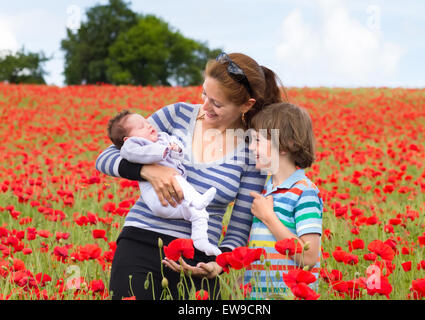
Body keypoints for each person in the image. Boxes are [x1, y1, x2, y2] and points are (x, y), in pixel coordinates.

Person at [95, 52, 285, 300]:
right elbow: (106, 157)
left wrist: (218, 264)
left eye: (216, 103)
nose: (204, 107)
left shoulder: (255, 148)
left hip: (198, 260)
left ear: (246, 105)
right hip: (141, 242)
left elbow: (239, 228)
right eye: (204, 93)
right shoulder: (177, 115)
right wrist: (148, 171)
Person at [106, 110, 220, 256]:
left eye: (147, 122)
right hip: (159, 199)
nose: (148, 125)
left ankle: (201, 240)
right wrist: (163, 151)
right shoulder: (133, 145)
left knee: (199, 214)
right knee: (174, 177)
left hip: (176, 200)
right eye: (141, 126)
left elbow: (178, 151)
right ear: (128, 138)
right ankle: (197, 199)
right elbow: (136, 154)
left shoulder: (162, 137)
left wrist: (176, 149)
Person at [244, 102, 323, 300]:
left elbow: (309, 257)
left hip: (288, 295)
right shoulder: (266, 190)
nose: (252, 146)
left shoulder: (304, 192)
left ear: (286, 145)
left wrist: (269, 217)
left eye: (258, 140)